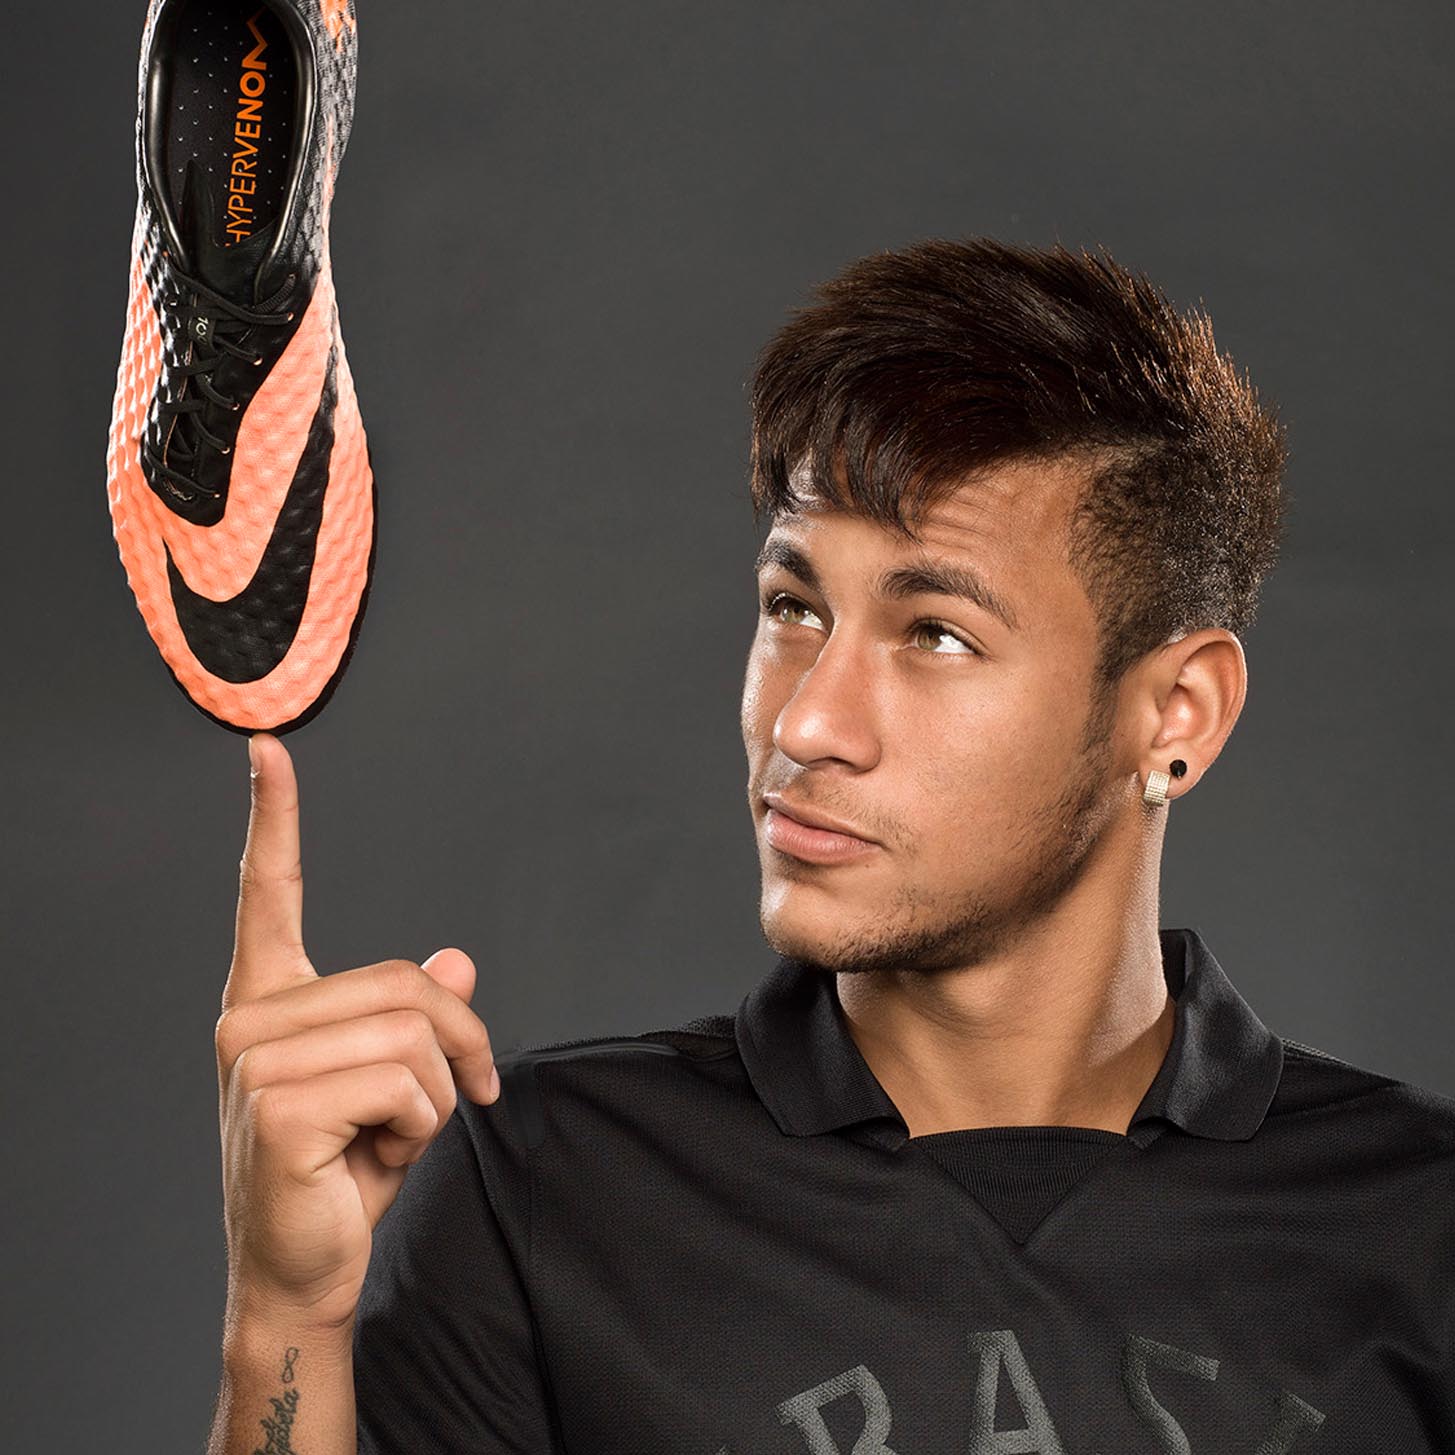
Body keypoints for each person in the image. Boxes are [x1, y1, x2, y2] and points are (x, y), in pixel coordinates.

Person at [207, 239, 1455, 1454]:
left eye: (937, 635)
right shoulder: (548, 1178)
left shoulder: (1420, 1220)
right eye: (795, 609)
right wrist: (284, 1321)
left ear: (1174, 714)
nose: (807, 723)